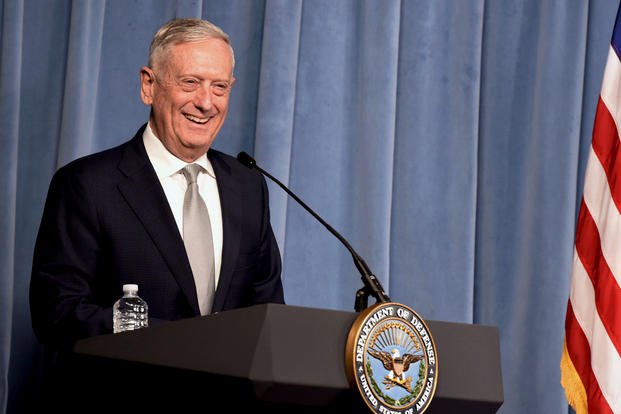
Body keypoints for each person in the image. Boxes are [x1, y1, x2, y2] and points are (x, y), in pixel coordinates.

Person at [30, 18, 284, 351]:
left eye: (219, 87)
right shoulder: (87, 185)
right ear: (149, 86)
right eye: (191, 82)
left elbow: (268, 313)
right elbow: (57, 312)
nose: (206, 102)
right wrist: (174, 341)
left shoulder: (248, 186)